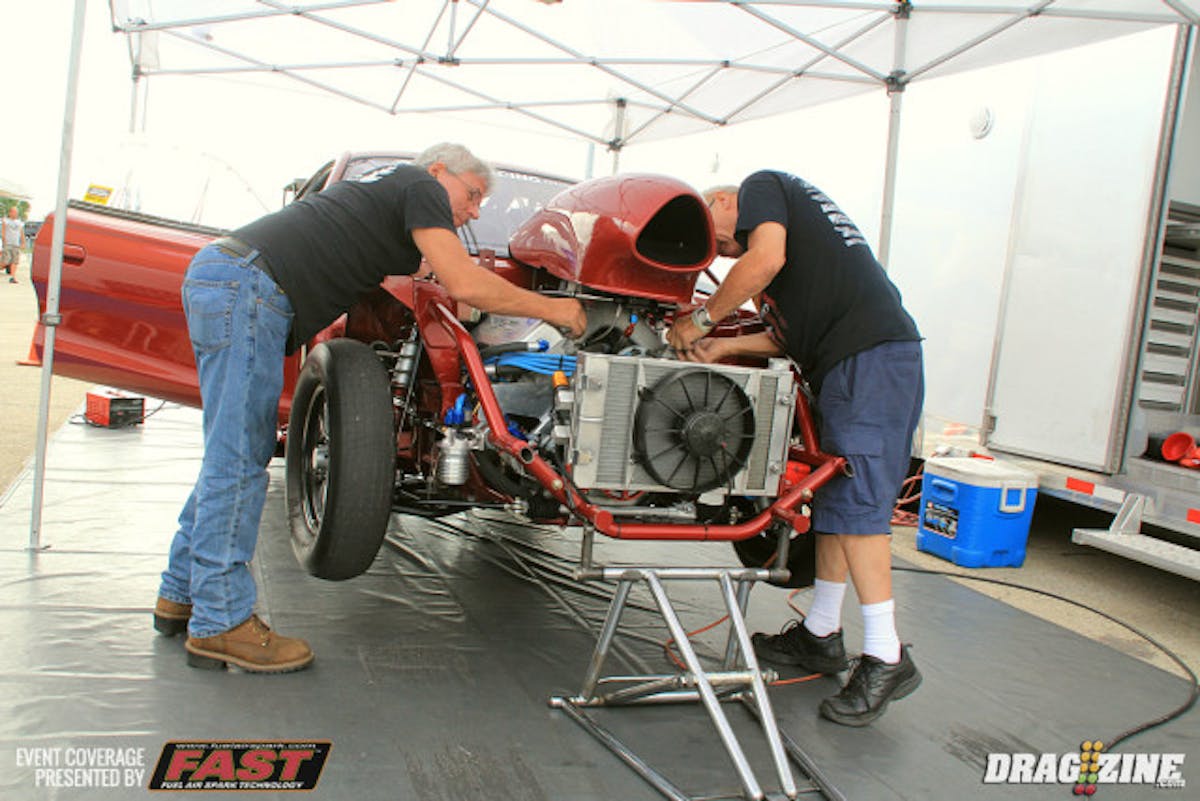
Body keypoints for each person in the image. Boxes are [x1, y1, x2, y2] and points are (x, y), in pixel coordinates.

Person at [155, 143, 588, 674]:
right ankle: (221, 623)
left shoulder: (391, 198)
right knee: (239, 458)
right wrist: (558, 308)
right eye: (473, 194)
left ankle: (179, 594)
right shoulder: (419, 188)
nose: (475, 210)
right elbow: (465, 283)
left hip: (235, 281)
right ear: (438, 172)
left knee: (232, 453)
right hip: (249, 287)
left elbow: (459, 285)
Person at [666, 171, 923, 726]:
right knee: (833, 504)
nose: (728, 253)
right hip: (842, 362)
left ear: (723, 201)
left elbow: (762, 261)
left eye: (726, 243)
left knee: (859, 513)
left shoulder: (765, 186)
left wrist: (700, 319)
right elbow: (787, 337)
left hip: (872, 359)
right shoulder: (792, 263)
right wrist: (720, 343)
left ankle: (887, 654)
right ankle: (821, 633)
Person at [2, 206, 24, 283]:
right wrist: (4, 241)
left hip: (16, 244)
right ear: (10, 213)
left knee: (15, 261)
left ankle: (13, 277)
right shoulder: (5, 221)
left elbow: (21, 233)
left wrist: (23, 242)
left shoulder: (19, 223)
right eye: (14, 212)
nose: (15, 214)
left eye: (16, 212)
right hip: (8, 243)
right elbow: (3, 231)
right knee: (6, 261)